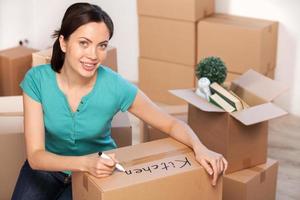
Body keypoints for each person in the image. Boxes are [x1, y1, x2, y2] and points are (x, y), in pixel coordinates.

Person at [12, 2, 227, 200]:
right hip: (46, 171)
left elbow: (169, 123)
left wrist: (201, 148)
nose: (93, 55)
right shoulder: (37, 80)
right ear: (64, 43)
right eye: (84, 43)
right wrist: (85, 163)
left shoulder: (115, 86)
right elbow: (36, 156)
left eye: (102, 45)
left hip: (98, 174)